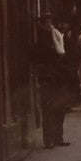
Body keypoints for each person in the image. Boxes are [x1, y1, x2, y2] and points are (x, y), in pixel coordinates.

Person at [32, 15, 75, 147]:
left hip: (59, 79)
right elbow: (39, 57)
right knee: (49, 109)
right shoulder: (40, 39)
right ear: (42, 24)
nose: (49, 24)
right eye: (46, 22)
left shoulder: (57, 36)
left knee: (60, 109)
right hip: (48, 79)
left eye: (51, 21)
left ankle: (58, 137)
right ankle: (49, 140)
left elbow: (65, 56)